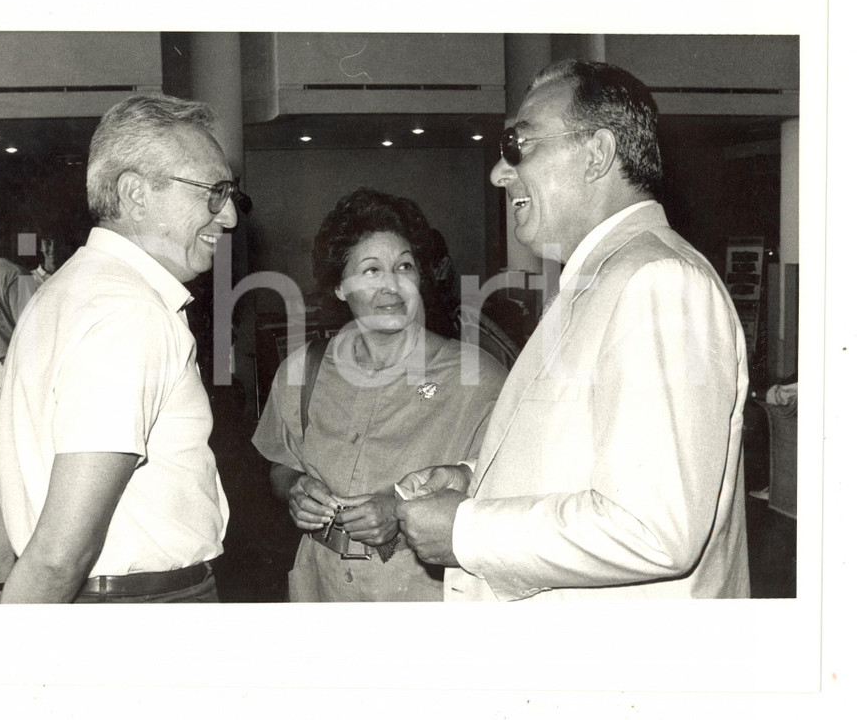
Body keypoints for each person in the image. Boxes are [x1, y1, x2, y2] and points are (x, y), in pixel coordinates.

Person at [395, 60, 751, 600]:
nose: (499, 173)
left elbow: (654, 528)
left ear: (597, 154)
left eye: (519, 144)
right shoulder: (604, 278)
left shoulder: (657, 280)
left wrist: (467, 531)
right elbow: (588, 453)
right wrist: (477, 479)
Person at [0, 93, 244, 603]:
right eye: (213, 192)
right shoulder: (130, 312)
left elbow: (24, 478)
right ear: (135, 194)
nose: (231, 216)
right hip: (141, 606)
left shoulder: (61, 293)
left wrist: (0, 587)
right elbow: (61, 555)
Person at [252, 188, 507, 601]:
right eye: (371, 270)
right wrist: (296, 488)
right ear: (339, 286)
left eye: (404, 266)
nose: (392, 286)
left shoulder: (478, 378)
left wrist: (401, 514)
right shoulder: (303, 371)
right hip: (320, 588)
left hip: (420, 595)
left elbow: (507, 496)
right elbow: (281, 465)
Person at [0, 212, 57, 404]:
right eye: (20, 234)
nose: (25, 241)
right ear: (8, 238)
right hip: (17, 369)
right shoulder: (19, 274)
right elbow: (33, 335)